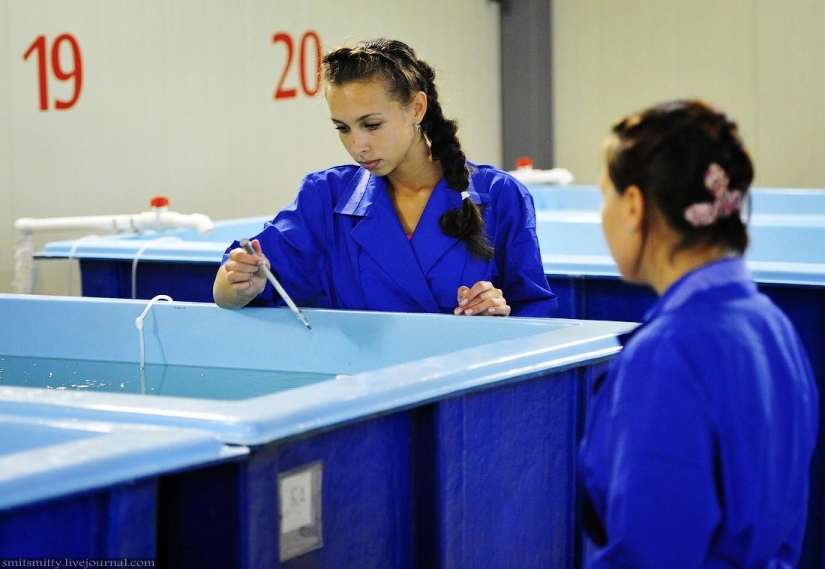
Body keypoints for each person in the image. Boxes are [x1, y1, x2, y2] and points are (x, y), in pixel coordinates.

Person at [578, 99, 819, 567]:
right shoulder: (774, 328)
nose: (601, 213)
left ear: (633, 206)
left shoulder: (667, 354)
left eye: (605, 193)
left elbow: (652, 553)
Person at [213, 38, 556, 317]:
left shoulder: (501, 195)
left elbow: (536, 315)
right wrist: (241, 282)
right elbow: (230, 289)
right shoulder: (325, 198)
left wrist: (499, 315)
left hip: (463, 397)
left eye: (371, 125)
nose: (357, 145)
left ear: (417, 108)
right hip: (362, 392)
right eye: (343, 129)